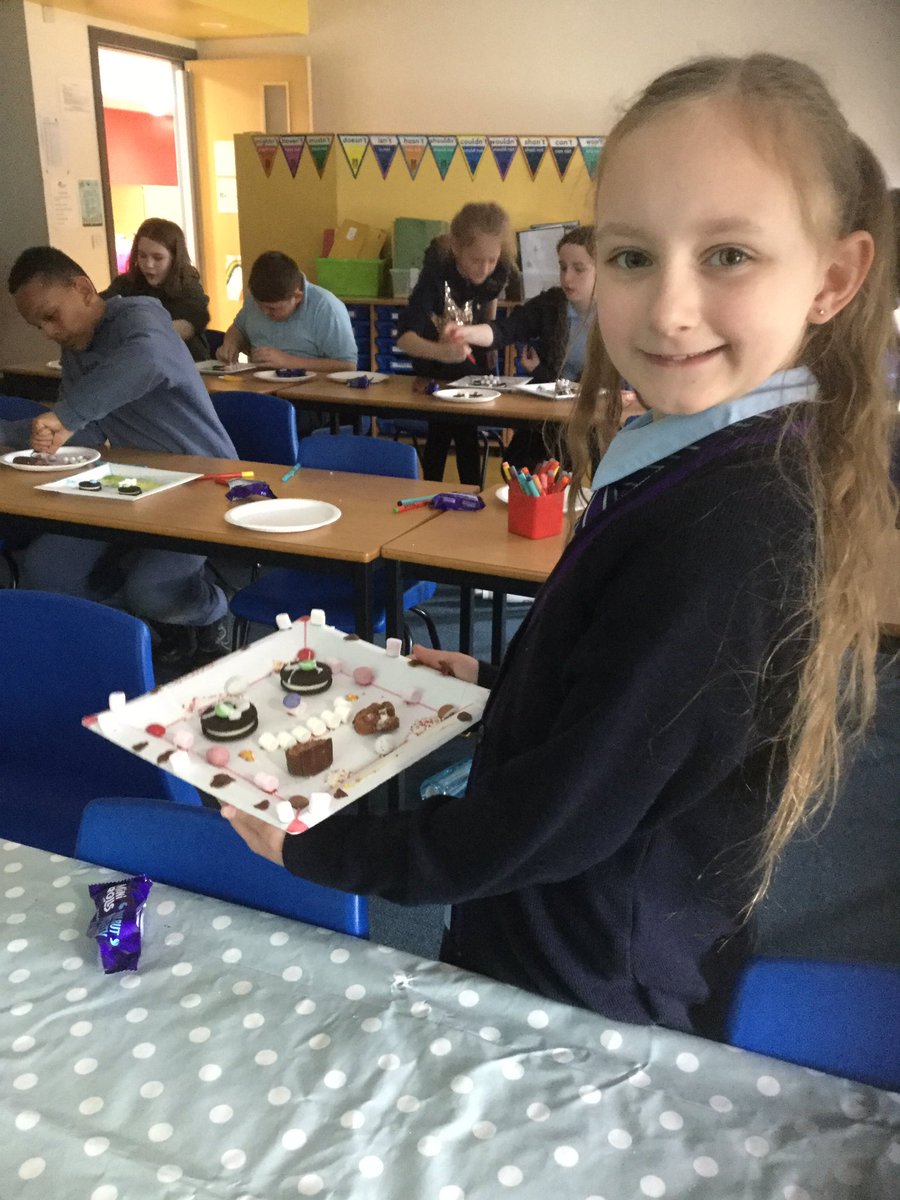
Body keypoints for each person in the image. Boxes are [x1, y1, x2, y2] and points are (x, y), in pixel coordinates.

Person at [221, 54, 896, 1037]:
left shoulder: (735, 523)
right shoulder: (711, 449)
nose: (667, 310)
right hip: (591, 928)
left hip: (586, 977)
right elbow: (639, 711)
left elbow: (554, 817)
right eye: (632, 256)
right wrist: (501, 684)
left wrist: (325, 849)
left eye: (729, 256)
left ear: (833, 277)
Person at [4, 246, 238, 668]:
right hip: (130, 483)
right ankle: (137, 625)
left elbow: (145, 362)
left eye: (51, 315)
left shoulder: (141, 316)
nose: (47, 331)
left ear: (84, 289)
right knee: (47, 572)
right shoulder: (78, 351)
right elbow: (86, 428)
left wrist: (68, 415)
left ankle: (210, 612)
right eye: (36, 324)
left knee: (152, 587)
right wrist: (20, 437)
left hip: (204, 480)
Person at [454, 225, 597, 468]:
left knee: (605, 468)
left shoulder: (619, 314)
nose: (567, 278)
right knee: (517, 464)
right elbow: (505, 330)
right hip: (551, 417)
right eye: (562, 267)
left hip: (597, 417)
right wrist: (466, 332)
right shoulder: (550, 305)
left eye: (579, 269)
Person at [396, 202, 515, 484]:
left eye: (491, 260)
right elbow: (404, 337)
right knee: (440, 433)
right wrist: (441, 353)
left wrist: (484, 338)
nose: (484, 268)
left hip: (469, 369)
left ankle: (472, 495)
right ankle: (432, 491)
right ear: (456, 248)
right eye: (475, 260)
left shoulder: (500, 266)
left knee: (466, 433)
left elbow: (490, 297)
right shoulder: (436, 273)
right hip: (433, 364)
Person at [218, 251, 357, 374]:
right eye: (260, 307)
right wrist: (231, 343)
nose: (265, 313)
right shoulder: (253, 299)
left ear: (297, 297)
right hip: (260, 387)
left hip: (312, 394)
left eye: (273, 309)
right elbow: (238, 329)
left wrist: (288, 361)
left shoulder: (326, 308)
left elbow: (348, 365)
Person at [103, 217, 211, 361]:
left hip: (184, 365)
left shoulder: (188, 285)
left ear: (174, 258)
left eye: (158, 258)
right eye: (142, 256)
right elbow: (100, 308)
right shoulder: (126, 283)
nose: (148, 264)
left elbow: (189, 324)